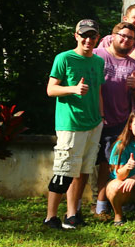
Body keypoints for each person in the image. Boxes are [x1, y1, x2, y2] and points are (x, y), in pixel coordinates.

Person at [44, 19, 106, 230]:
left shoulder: (98, 61)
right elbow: (51, 90)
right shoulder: (64, 58)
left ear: (98, 38)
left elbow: (98, 90)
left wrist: (101, 116)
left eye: (93, 36)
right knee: (64, 170)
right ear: (76, 36)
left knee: (83, 171)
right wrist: (72, 90)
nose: (88, 40)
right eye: (84, 35)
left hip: (93, 124)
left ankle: (72, 215)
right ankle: (51, 217)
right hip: (71, 124)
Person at [94, 22, 135, 216]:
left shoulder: (134, 66)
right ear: (114, 35)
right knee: (88, 165)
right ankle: (78, 208)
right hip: (93, 120)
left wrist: (134, 87)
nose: (125, 40)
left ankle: (105, 205)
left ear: (134, 42)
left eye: (130, 38)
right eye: (122, 35)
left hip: (120, 124)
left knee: (111, 164)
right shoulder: (97, 56)